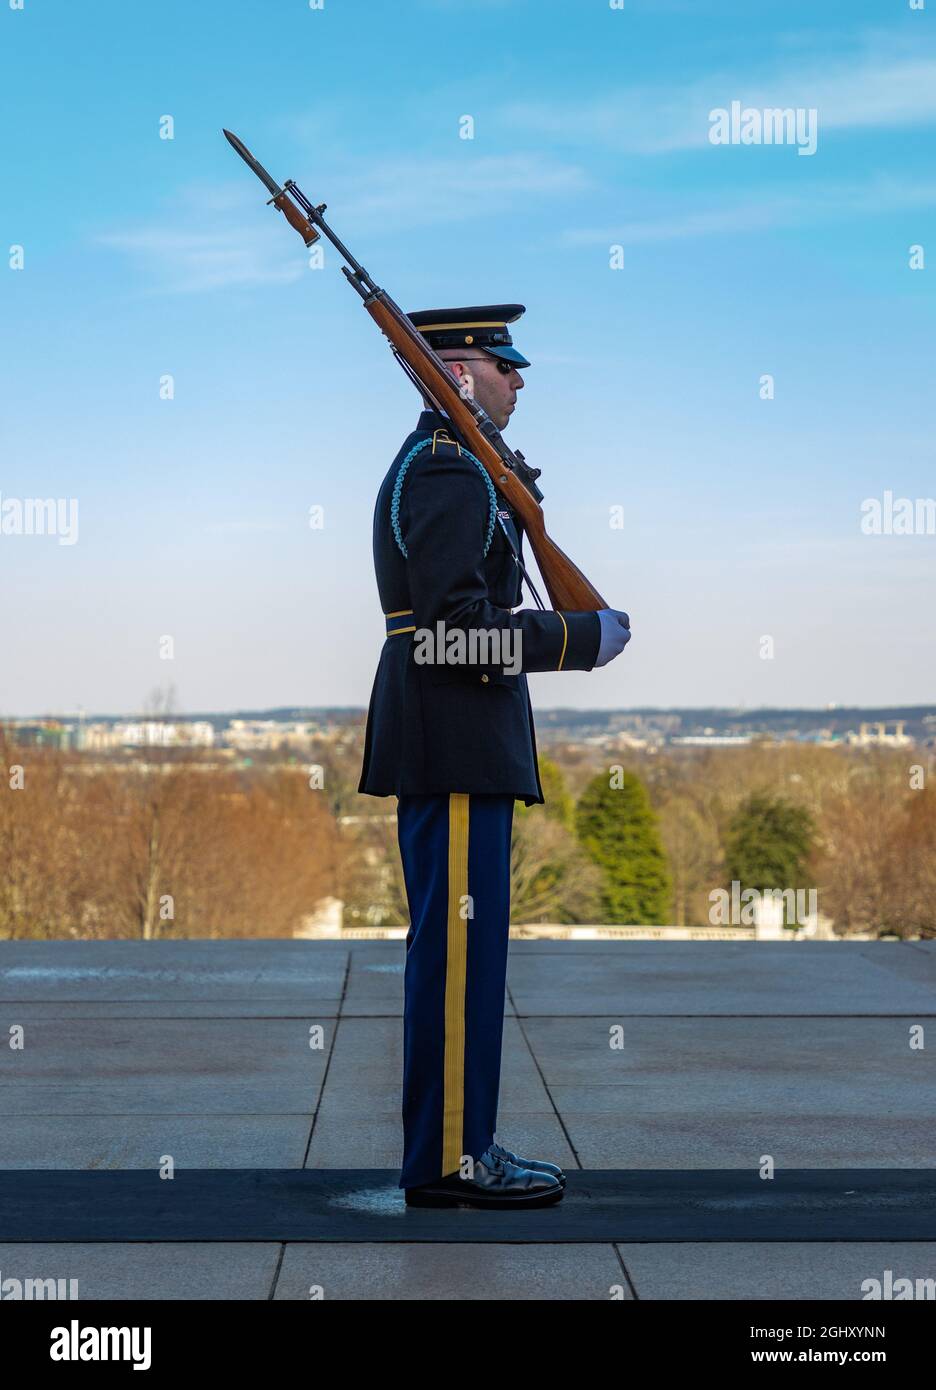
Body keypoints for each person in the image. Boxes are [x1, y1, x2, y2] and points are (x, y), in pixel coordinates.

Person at [358, 305, 631, 1207]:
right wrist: (575, 638)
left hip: (458, 742)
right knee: (457, 963)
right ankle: (450, 1162)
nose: (520, 379)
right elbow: (448, 637)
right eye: (505, 364)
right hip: (456, 743)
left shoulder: (462, 468)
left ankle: (464, 1145)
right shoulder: (447, 472)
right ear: (462, 373)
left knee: (465, 960)